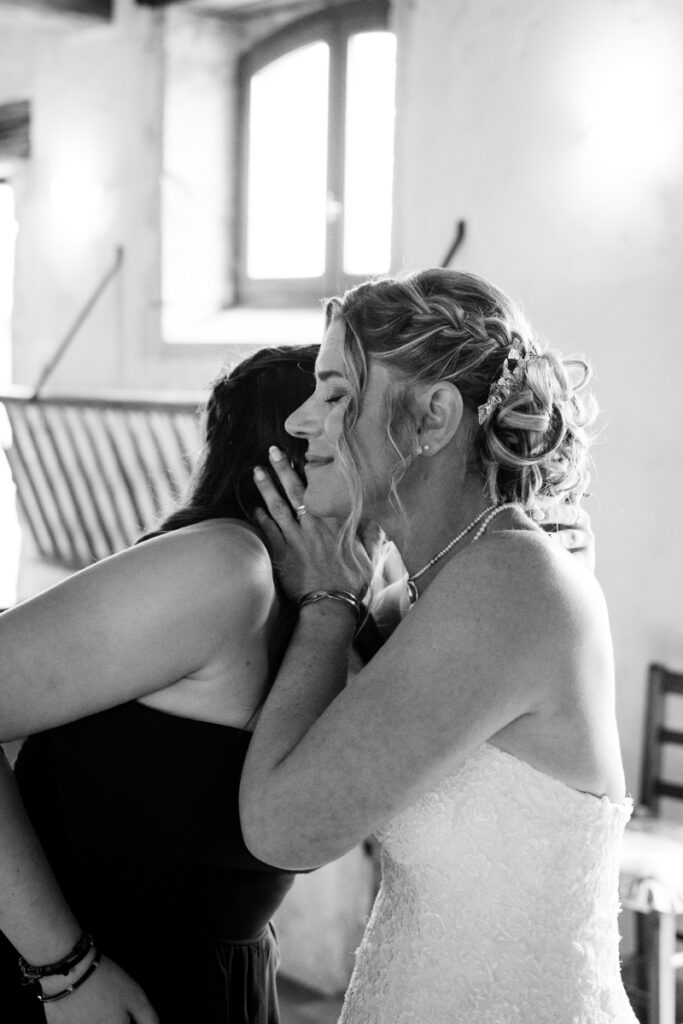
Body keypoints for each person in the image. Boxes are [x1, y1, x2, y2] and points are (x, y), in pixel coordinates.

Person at [238, 268, 637, 1023]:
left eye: (333, 393)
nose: (299, 421)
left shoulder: (506, 587)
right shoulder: (436, 587)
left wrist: (326, 600)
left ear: (430, 420)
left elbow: (282, 828)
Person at [0, 345, 319, 1024]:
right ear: (298, 453)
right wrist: (64, 972)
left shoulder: (332, 599)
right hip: (91, 988)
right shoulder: (225, 569)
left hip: (217, 980)